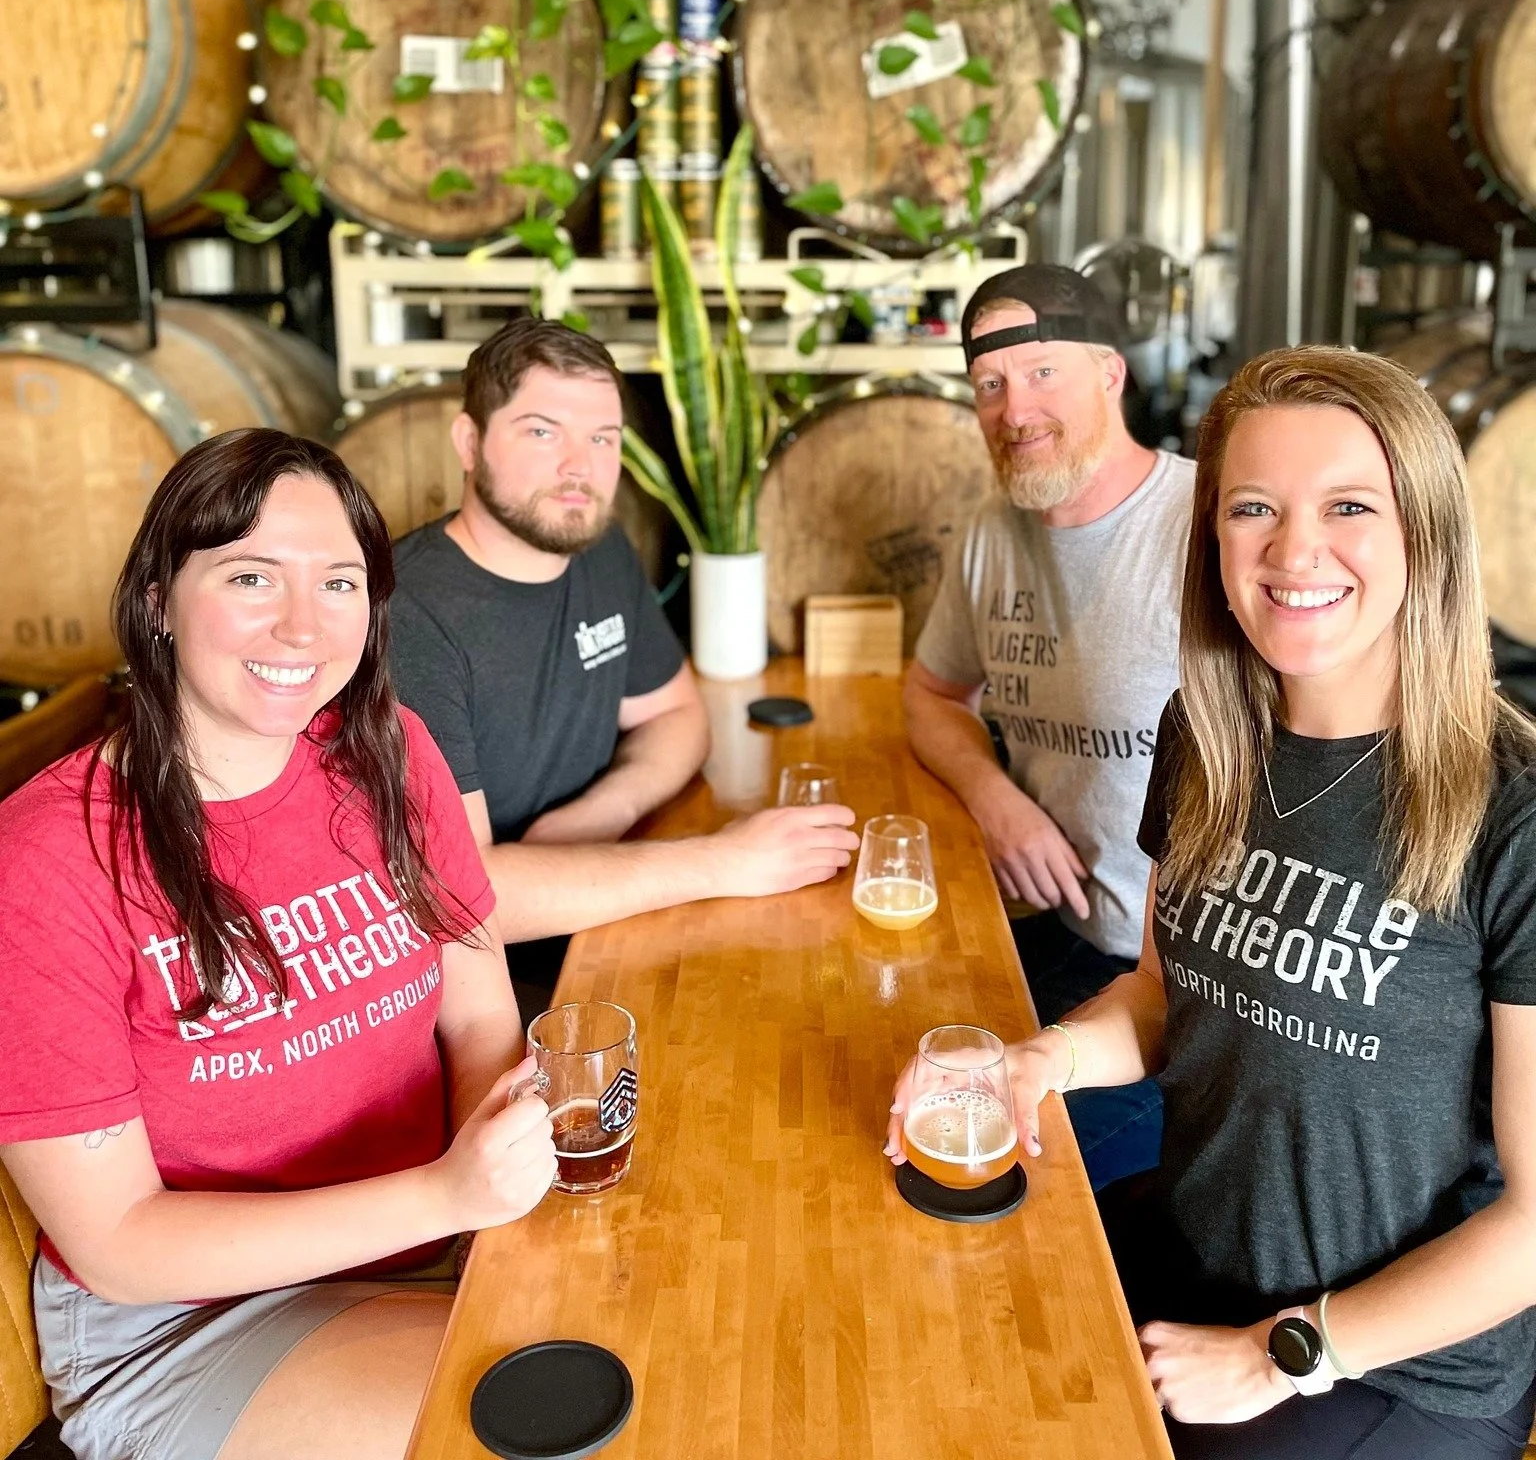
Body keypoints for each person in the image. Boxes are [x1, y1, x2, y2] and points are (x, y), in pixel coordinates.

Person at [892, 346, 1536, 1458]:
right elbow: (1161, 992)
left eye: (1348, 506)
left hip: (1391, 1359)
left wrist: (1288, 1352)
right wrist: (1037, 1062)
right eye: (1252, 508)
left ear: (1423, 532)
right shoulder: (1209, 732)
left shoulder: (1509, 814)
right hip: (1199, 1252)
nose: (1294, 550)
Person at [0, 430, 559, 1460]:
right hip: (182, 1321)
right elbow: (118, 1245)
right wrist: (444, 1193)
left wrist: (496, 1184)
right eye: (252, 576)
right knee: (548, 1422)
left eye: (340, 582)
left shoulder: (388, 751)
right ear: (159, 600)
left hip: (417, 1245)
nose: (304, 625)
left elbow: (477, 1007)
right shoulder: (47, 857)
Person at [388, 317, 859, 1014]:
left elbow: (676, 714)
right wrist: (724, 862)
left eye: (602, 439)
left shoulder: (599, 552)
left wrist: (598, 813)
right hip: (474, 997)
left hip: (600, 921)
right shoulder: (407, 615)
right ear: (469, 441)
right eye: (543, 432)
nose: (580, 467)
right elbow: (462, 901)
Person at [903, 264, 1193, 1186]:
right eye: (989, 385)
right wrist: (996, 798)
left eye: (1041, 373)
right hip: (1047, 934)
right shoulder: (995, 532)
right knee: (895, 1092)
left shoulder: (1205, 525)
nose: (1013, 407)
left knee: (1017, 1180)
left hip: (1177, 987)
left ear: (1110, 371)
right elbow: (931, 694)